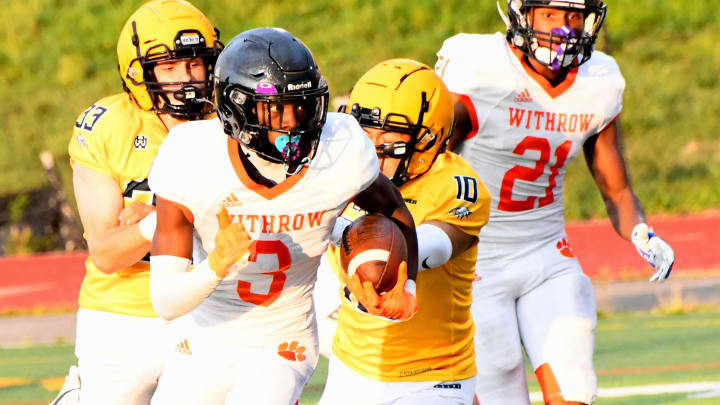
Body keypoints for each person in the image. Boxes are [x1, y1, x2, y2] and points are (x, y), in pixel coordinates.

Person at [146, 27, 419, 405]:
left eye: (302, 105)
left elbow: (392, 209)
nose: (291, 122)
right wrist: (216, 266)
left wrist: (406, 287)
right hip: (201, 339)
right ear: (235, 107)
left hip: (281, 343)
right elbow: (166, 301)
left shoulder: (340, 150)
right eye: (275, 108)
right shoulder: (190, 157)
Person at [434, 1, 675, 404]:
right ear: (521, 15)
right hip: (475, 259)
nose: (563, 29)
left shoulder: (598, 81)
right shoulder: (479, 68)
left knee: (575, 390)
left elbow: (616, 191)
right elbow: (429, 160)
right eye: (549, 14)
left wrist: (641, 232)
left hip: (547, 254)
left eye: (574, 16)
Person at [59, 1, 222, 404]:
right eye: (169, 68)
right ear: (140, 73)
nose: (186, 80)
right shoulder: (109, 127)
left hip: (207, 308)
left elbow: (250, 225)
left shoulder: (228, 123)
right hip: (121, 316)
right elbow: (108, 254)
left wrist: (162, 217)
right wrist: (169, 221)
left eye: (195, 64)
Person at [314, 59, 491, 405]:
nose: (372, 147)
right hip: (350, 369)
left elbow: (420, 244)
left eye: (389, 136)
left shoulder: (455, 185)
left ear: (428, 138)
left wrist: (336, 231)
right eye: (365, 132)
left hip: (432, 378)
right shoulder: (341, 168)